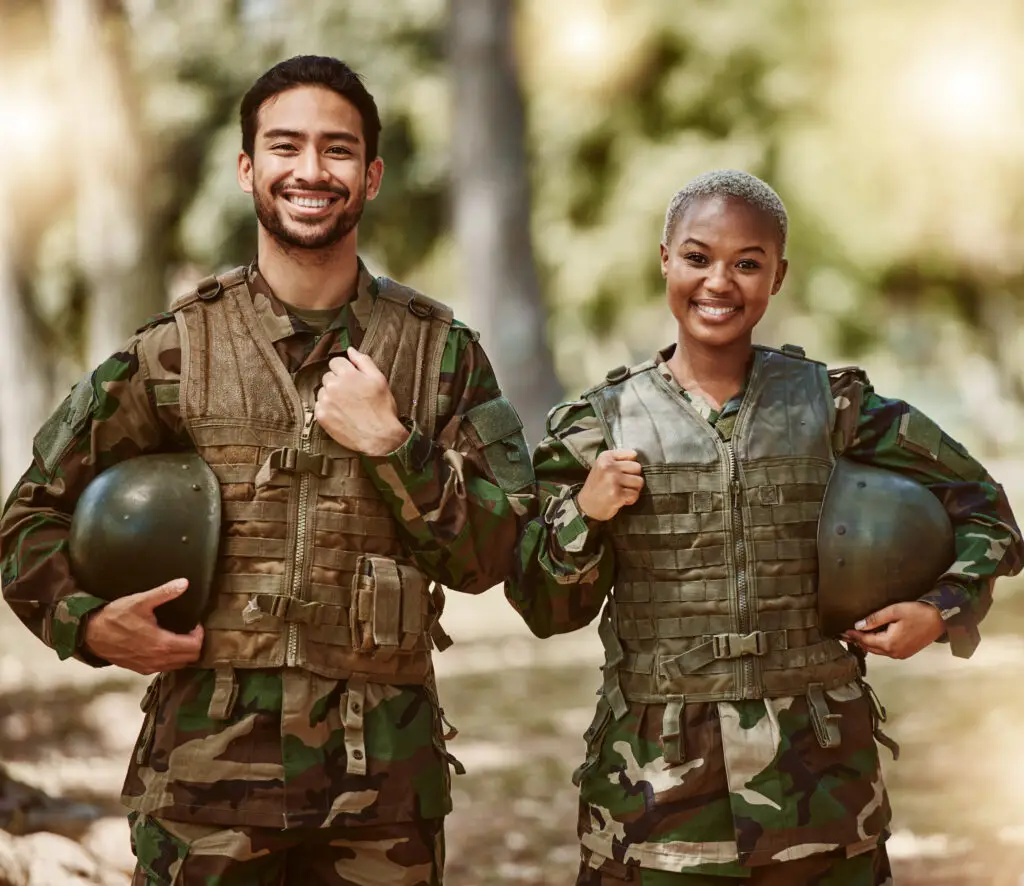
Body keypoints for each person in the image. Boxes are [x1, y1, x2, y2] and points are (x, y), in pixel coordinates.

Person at [0, 55, 533, 885]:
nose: (311, 171)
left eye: (338, 149)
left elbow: (496, 554)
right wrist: (88, 625)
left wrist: (395, 447)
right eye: (285, 147)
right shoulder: (171, 352)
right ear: (248, 168)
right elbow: (27, 521)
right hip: (202, 786)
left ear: (373, 174)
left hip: (381, 797)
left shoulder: (441, 354)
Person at [505, 169, 1022, 885]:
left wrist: (941, 612)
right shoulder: (596, 427)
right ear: (664, 259)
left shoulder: (837, 407)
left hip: (822, 796)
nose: (719, 281)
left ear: (778, 276)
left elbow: (984, 508)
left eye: (747, 263)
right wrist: (583, 517)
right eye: (697, 257)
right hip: (655, 807)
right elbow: (540, 604)